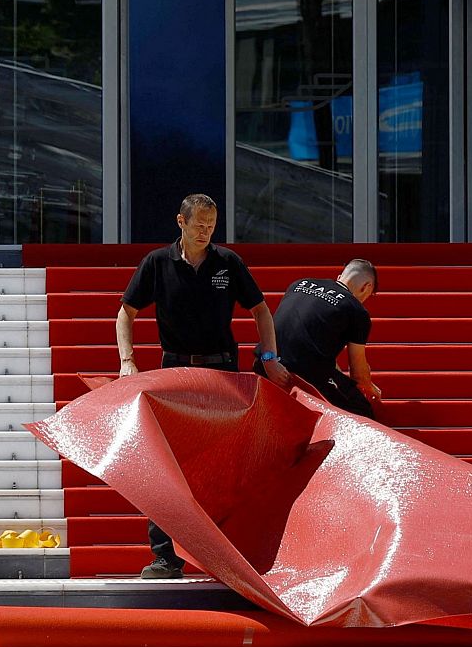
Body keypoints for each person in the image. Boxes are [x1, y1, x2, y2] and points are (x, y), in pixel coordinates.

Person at [115, 193, 291, 579]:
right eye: (199, 226)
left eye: (211, 226)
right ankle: (165, 557)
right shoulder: (157, 263)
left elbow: (260, 309)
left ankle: (226, 556)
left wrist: (269, 357)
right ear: (180, 221)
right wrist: (128, 362)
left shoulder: (228, 262)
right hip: (175, 370)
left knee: (223, 464)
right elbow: (125, 312)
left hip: (221, 371)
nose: (206, 232)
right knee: (168, 466)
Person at [261, 259, 380, 418]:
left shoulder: (299, 284)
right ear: (367, 287)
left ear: (339, 277)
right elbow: (357, 372)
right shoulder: (356, 310)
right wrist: (370, 387)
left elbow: (286, 331)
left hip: (265, 364)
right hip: (303, 375)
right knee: (362, 411)